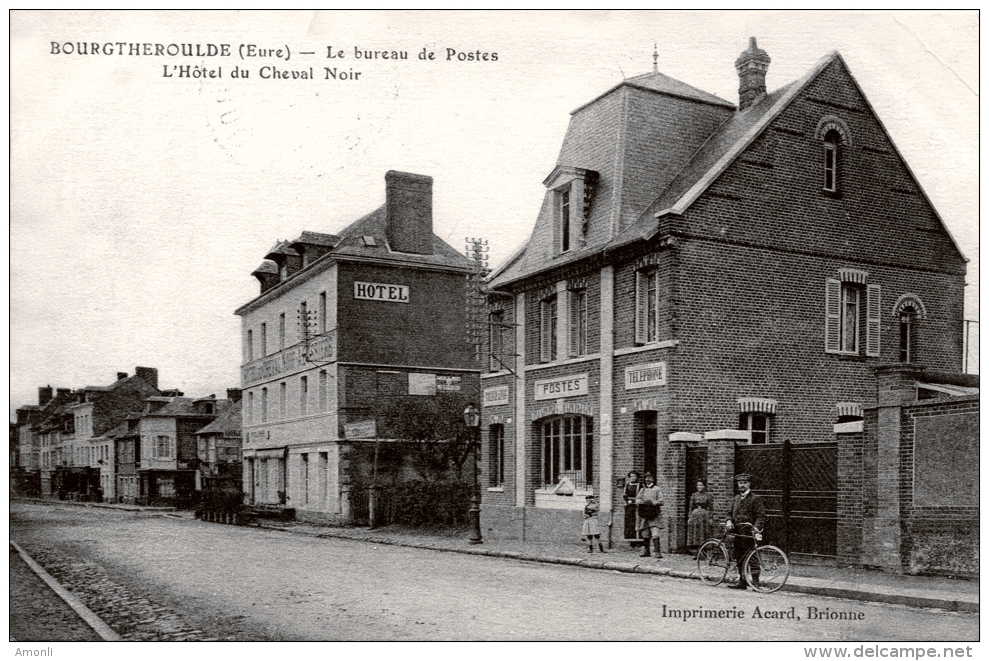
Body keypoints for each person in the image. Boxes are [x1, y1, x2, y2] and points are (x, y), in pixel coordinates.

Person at [725, 473, 766, 589]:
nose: (742, 485)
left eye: (745, 483)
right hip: (737, 533)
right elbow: (729, 512)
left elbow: (761, 515)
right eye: (740, 483)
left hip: (749, 533)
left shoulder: (755, 499)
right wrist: (728, 521)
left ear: (749, 484)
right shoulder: (736, 498)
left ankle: (756, 582)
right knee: (739, 556)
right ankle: (742, 582)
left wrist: (756, 528)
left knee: (752, 558)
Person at [635, 473, 664, 559]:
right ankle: (646, 551)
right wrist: (642, 502)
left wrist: (655, 502)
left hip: (654, 513)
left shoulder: (657, 489)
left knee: (655, 532)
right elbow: (637, 499)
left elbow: (661, 500)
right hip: (644, 514)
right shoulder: (642, 490)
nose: (648, 480)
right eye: (646, 478)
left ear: (653, 479)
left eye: (650, 478)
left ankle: (657, 552)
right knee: (645, 533)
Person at [686, 479, 714, 550]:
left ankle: (704, 550)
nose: (699, 487)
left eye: (701, 485)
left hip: (704, 515)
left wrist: (710, 518)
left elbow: (711, 508)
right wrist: (689, 517)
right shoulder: (694, 495)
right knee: (695, 532)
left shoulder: (708, 495)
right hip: (695, 515)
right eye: (698, 485)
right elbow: (691, 507)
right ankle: (697, 551)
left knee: (703, 532)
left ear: (704, 486)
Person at [622, 470, 642, 548]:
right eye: (631, 476)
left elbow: (642, 494)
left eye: (634, 476)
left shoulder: (640, 485)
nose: (633, 478)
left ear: (637, 477)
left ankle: (639, 540)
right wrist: (628, 500)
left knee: (638, 521)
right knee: (629, 521)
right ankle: (631, 540)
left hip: (637, 505)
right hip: (630, 505)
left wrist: (638, 501)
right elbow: (625, 495)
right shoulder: (627, 485)